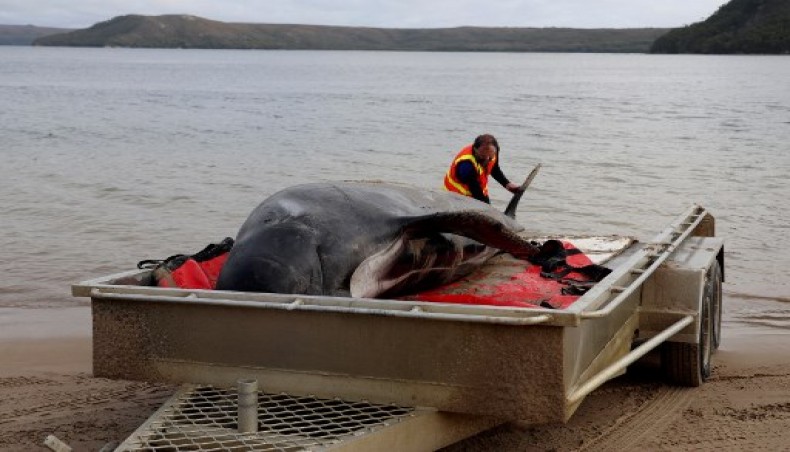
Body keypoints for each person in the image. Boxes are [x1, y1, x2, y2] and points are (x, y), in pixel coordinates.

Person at [443, 134, 520, 204]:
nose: (487, 159)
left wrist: (507, 184)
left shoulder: (493, 152)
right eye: (482, 156)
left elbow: (494, 168)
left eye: (490, 157)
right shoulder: (466, 165)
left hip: (478, 192)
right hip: (455, 198)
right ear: (475, 149)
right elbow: (476, 191)